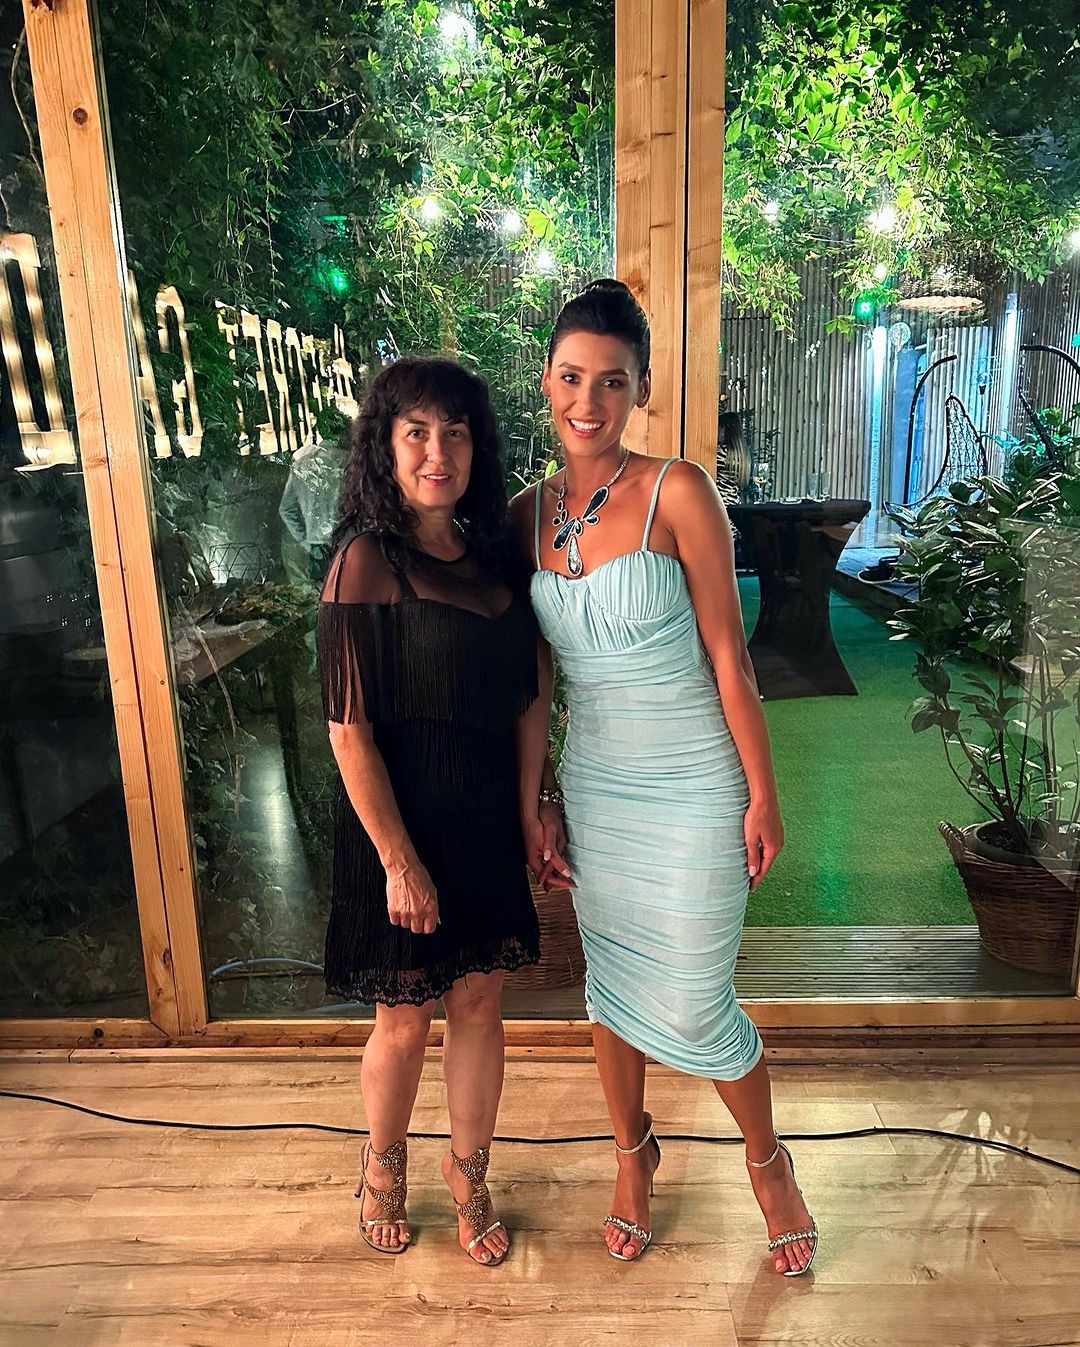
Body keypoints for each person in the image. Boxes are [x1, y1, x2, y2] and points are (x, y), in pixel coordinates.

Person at [510, 280, 819, 1275]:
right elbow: (534, 689)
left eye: (612, 381)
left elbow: (731, 657)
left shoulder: (680, 490)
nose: (588, 400)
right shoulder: (521, 517)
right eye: (571, 376)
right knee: (611, 987)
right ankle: (631, 1155)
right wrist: (537, 803)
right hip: (597, 787)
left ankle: (767, 1161)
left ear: (641, 389)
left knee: (692, 998)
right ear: (545, 380)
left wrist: (763, 793)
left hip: (694, 783)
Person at [318, 355, 543, 1265]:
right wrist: (398, 861)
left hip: (484, 818)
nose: (437, 452)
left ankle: (469, 1170)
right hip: (400, 827)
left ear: (476, 448)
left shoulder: (497, 557)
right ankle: (383, 1165)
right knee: (405, 1017)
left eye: (454, 433)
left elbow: (530, 696)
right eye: (416, 431)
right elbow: (348, 732)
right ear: (386, 444)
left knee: (480, 1004)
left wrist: (533, 807)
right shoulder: (365, 561)